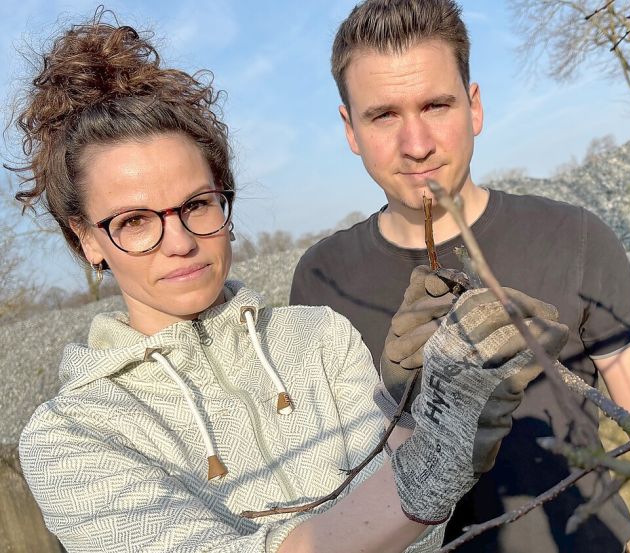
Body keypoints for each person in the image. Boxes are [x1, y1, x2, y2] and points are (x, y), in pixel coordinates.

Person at [11, 12, 567, 553]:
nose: (178, 240)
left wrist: (414, 414)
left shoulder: (318, 339)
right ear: (85, 238)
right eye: (134, 221)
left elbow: (421, 538)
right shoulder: (73, 437)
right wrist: (433, 465)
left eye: (197, 205)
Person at [289, 1, 630, 552]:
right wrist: (402, 406)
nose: (417, 143)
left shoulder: (573, 238)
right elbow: (327, 488)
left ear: (474, 108)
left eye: (436, 105)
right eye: (383, 115)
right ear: (349, 128)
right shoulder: (320, 280)